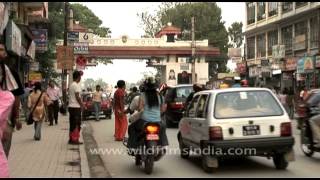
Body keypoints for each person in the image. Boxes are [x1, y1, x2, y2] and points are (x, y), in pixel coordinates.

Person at [127, 77, 168, 149]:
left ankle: (132, 147)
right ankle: (164, 145)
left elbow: (140, 108)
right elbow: (162, 110)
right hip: (157, 121)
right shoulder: (161, 97)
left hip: (144, 121)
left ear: (145, 86)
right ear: (156, 86)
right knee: (163, 128)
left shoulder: (142, 95)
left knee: (131, 127)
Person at [0, 48, 23, 158]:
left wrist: (16, 117)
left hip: (6, 118)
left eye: (2, 50)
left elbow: (16, 96)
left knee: (3, 151)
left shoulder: (11, 73)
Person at [68, 71, 85, 145]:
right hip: (76, 107)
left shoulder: (71, 85)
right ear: (79, 77)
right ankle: (75, 140)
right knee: (77, 124)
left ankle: (71, 139)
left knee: (72, 124)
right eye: (80, 77)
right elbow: (77, 97)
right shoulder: (76, 85)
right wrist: (82, 105)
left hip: (71, 107)